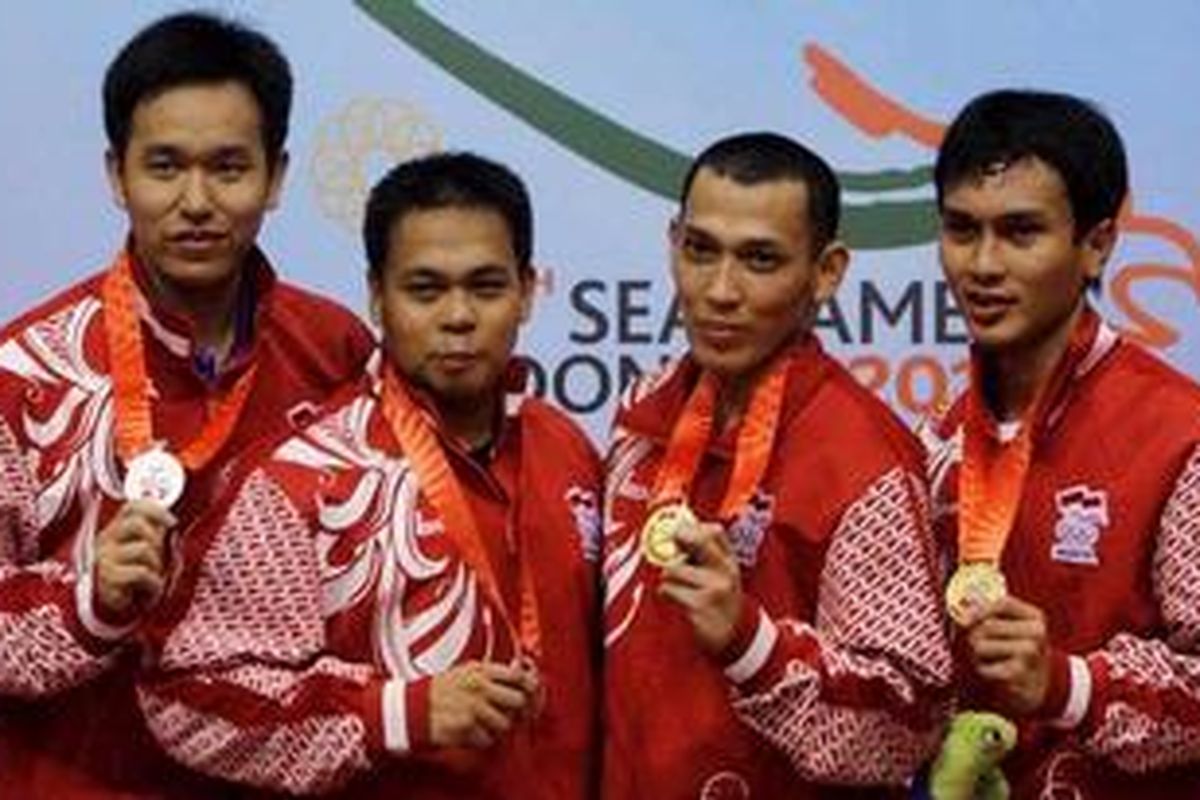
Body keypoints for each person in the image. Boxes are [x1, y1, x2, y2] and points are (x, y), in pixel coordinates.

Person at [136, 151, 603, 798]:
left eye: (486, 286)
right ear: (376, 296)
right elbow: (188, 701)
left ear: (528, 291)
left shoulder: (568, 448)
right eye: (425, 289)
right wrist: (399, 712)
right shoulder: (301, 481)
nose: (458, 316)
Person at [0, 11, 374, 797]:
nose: (196, 201)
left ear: (275, 177)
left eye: (229, 168)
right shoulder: (25, 371)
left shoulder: (336, 351)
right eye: (164, 166)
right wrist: (87, 599)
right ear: (116, 174)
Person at [600, 131, 952, 799]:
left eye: (760, 260)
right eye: (700, 251)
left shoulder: (864, 460)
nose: (720, 290)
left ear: (827, 272)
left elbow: (903, 727)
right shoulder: (641, 414)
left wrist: (750, 641)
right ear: (674, 243)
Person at [923, 89, 1200, 798]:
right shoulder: (938, 441)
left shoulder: (1181, 435)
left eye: (1021, 232)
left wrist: (1065, 682)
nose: (982, 265)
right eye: (961, 229)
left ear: (1096, 244)